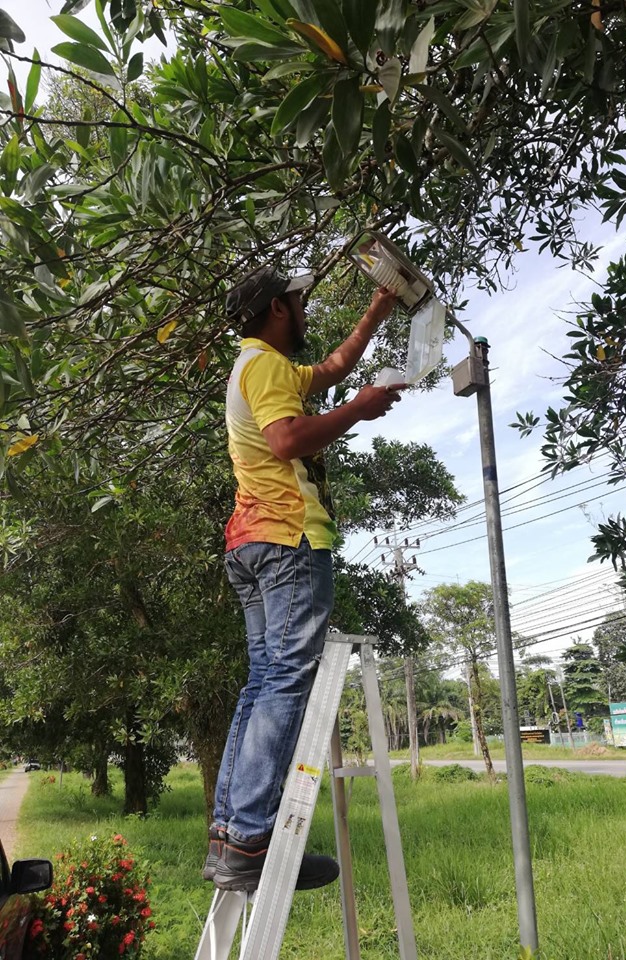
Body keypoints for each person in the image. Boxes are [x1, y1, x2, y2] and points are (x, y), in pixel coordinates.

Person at [205, 265, 402, 891]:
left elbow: (334, 366)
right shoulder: (262, 366)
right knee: (286, 681)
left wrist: (377, 310)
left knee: (264, 680)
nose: (305, 306)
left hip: (252, 543)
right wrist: (358, 411)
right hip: (288, 540)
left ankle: (229, 840)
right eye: (299, 299)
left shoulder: (265, 367)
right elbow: (287, 440)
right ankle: (253, 842)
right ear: (279, 310)